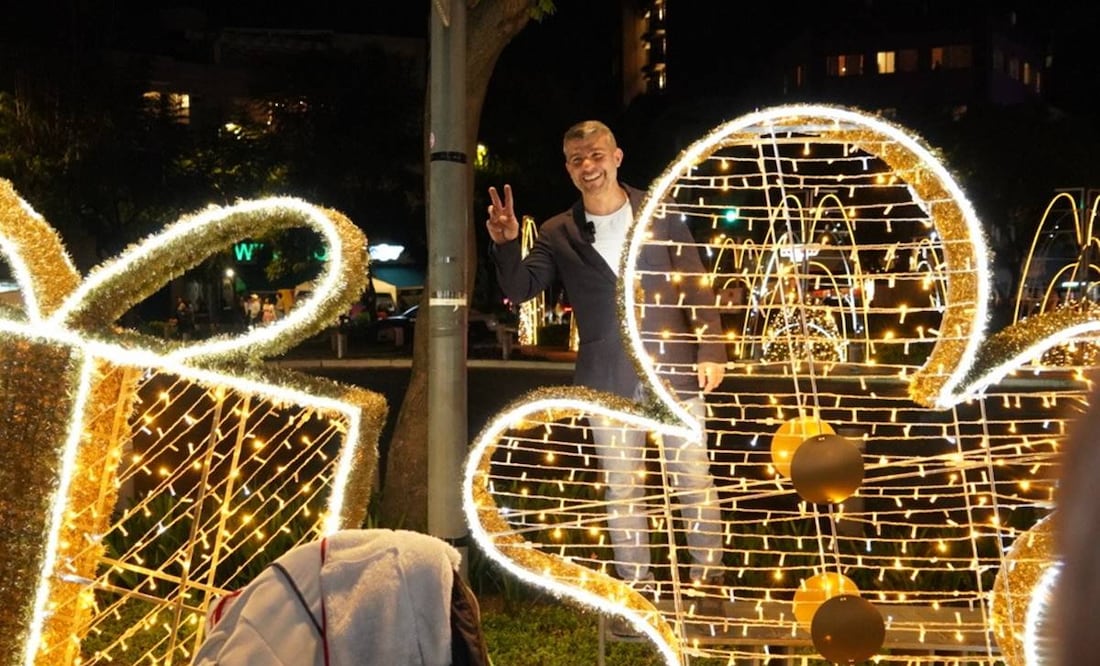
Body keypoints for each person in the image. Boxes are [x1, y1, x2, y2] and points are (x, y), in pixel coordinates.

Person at [486, 120, 727, 617]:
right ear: (569, 169)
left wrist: (711, 349)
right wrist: (507, 242)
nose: (588, 166)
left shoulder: (659, 211)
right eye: (577, 160)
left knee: (693, 478)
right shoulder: (558, 232)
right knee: (624, 488)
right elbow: (522, 288)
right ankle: (639, 593)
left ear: (617, 156)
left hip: (675, 369)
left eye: (596, 154)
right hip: (605, 376)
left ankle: (709, 584)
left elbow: (695, 283)